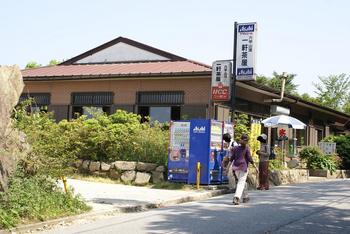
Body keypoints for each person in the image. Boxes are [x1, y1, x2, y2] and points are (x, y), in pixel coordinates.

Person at [230, 134, 258, 205]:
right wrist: (255, 166)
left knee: (242, 183)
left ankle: (245, 197)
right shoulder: (246, 148)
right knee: (241, 183)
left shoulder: (235, 148)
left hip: (236, 168)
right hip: (243, 168)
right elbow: (249, 158)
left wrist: (227, 169)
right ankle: (236, 197)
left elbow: (231, 159)